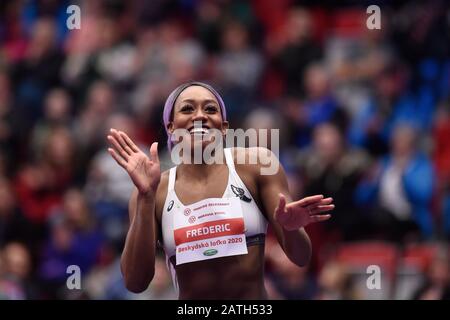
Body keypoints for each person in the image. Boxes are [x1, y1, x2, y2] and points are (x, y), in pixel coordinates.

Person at [107, 81, 334, 299]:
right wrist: (146, 197)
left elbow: (301, 258)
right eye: (187, 109)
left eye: (210, 109)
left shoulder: (257, 165)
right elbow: (135, 282)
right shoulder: (153, 191)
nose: (199, 116)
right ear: (171, 127)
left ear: (224, 127)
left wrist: (291, 228)